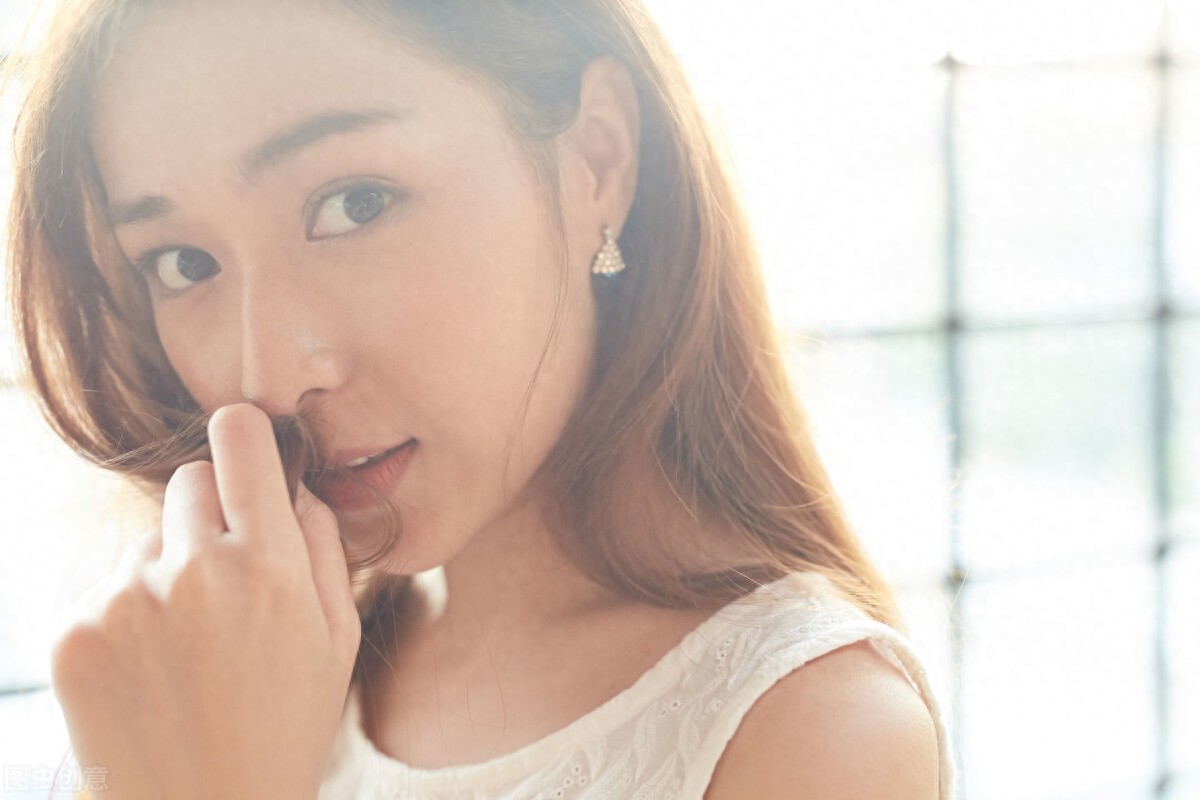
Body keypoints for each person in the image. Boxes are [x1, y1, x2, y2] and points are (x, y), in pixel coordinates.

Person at [6, 0, 959, 797]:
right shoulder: (247, 664)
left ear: (597, 160)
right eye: (183, 263)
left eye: (354, 204)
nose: (269, 378)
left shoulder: (811, 733)